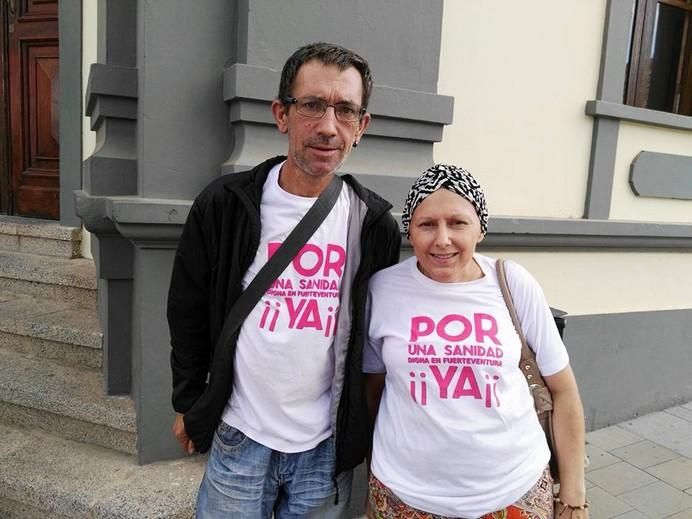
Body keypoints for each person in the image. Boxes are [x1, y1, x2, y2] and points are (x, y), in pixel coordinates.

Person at [167, 42, 401, 518]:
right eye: (312, 105)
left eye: (345, 110)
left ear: (362, 127)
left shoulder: (374, 223)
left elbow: (380, 337)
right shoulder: (226, 205)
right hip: (240, 435)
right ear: (282, 114)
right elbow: (187, 309)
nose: (328, 126)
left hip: (325, 447)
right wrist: (191, 401)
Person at [364, 164, 588, 519]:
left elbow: (563, 391)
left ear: (480, 229)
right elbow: (373, 388)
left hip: (514, 492)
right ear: (409, 229)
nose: (442, 239)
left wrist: (573, 496)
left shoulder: (512, 282)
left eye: (457, 223)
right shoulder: (383, 289)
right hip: (403, 497)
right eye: (427, 224)